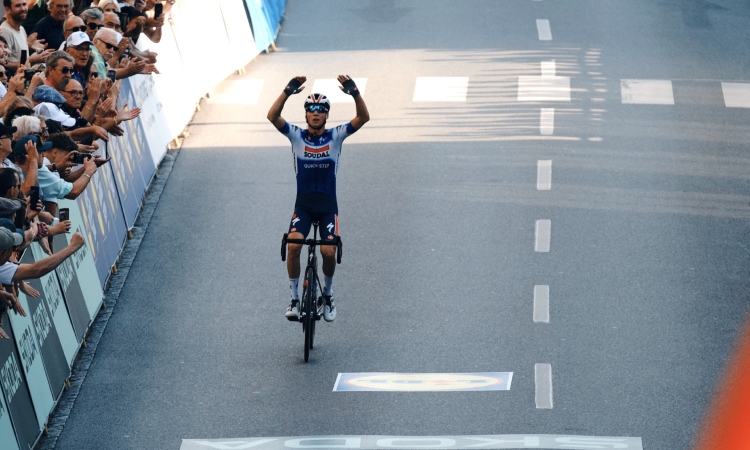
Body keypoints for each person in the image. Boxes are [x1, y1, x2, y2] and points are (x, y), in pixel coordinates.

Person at [267, 75, 369, 322]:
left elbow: (363, 118)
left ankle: (329, 295)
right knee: (293, 247)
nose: (315, 114)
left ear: (326, 116)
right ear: (305, 115)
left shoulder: (335, 136)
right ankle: (293, 298)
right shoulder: (296, 136)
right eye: (311, 110)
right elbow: (272, 117)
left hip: (326, 206)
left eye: (321, 111)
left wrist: (355, 93)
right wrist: (286, 91)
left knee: (328, 251)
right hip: (303, 206)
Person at [0, 0, 54, 70]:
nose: (23, 9)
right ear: (8, 9)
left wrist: (28, 45)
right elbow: (3, 64)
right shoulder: (5, 32)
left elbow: (16, 55)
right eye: (18, 6)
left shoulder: (21, 28)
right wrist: (31, 60)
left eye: (24, 4)